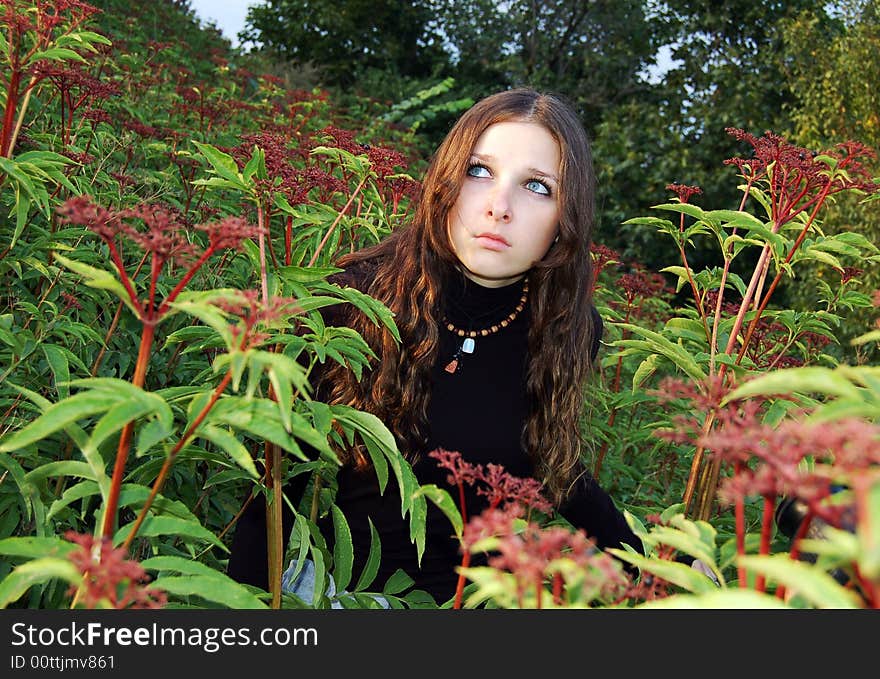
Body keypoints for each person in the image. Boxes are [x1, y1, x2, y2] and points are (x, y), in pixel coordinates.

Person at [226, 87, 642, 606]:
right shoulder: (351, 300)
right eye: (479, 170)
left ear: (565, 220)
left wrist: (652, 569)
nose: (499, 207)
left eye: (537, 186)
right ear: (444, 178)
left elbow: (552, 463)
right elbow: (275, 486)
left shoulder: (570, 327)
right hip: (337, 598)